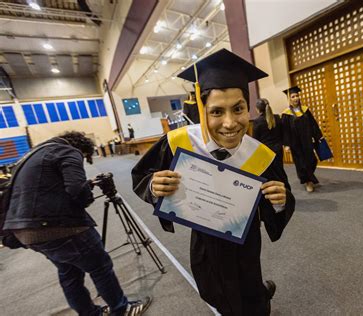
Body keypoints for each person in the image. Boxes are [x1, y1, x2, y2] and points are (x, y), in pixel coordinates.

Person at [132, 49, 295, 316]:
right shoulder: (179, 142)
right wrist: (153, 185)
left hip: (246, 240)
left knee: (250, 295)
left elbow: (280, 200)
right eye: (216, 111)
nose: (230, 123)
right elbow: (142, 176)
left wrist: (281, 201)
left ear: (247, 107)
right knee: (212, 292)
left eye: (239, 109)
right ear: (201, 110)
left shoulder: (262, 155)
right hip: (204, 239)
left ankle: (260, 300)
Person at [2, 131, 151, 315]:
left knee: (69, 272)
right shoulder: (66, 151)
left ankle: (89, 313)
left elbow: (45, 188)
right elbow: (77, 191)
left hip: (24, 230)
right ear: (82, 148)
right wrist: (86, 192)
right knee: (100, 265)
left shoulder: (33, 154)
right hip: (59, 227)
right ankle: (122, 309)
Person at [281, 86, 323, 192]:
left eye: (297, 96)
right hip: (295, 143)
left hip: (307, 141)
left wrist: (318, 136)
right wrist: (286, 144)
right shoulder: (286, 114)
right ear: (289, 99)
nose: (296, 98)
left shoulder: (305, 110)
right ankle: (308, 182)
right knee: (301, 163)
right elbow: (285, 130)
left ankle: (307, 177)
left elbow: (313, 124)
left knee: (312, 160)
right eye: (293, 96)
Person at [253, 98, 285, 173]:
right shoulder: (277, 117)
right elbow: (282, 133)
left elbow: (255, 139)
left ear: (257, 109)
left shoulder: (257, 121)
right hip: (278, 149)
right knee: (280, 170)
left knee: (271, 173)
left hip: (266, 151)